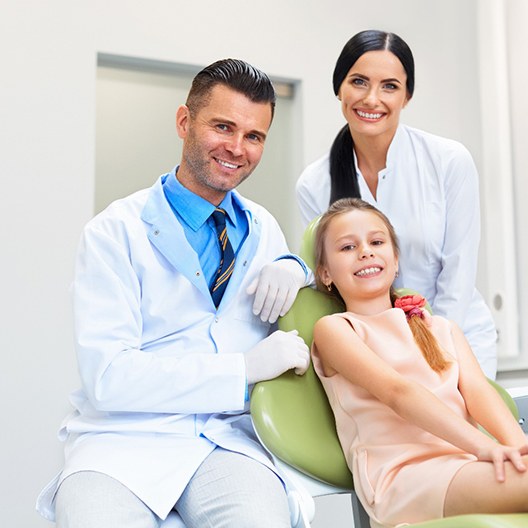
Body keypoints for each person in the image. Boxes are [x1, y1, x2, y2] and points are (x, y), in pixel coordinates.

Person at [36, 58, 312, 528]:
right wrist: (241, 371)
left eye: (254, 136)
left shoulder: (263, 228)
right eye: (222, 126)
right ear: (185, 121)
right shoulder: (113, 233)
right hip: (122, 444)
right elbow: (110, 377)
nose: (236, 148)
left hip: (224, 441)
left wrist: (297, 268)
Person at [311, 197, 528, 528]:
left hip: (465, 462)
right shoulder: (336, 330)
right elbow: (399, 392)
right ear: (325, 273)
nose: (365, 251)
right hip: (405, 477)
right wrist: (485, 447)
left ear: (396, 260)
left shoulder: (442, 328)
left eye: (377, 242)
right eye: (347, 247)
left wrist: (518, 448)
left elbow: (479, 394)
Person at [296, 29, 498, 379]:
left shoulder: (449, 161)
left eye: (389, 86)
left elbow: (458, 273)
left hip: (456, 337)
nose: (372, 99)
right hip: (376, 351)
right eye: (358, 81)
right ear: (339, 89)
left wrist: (437, 349)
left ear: (406, 96)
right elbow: (329, 282)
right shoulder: (315, 184)